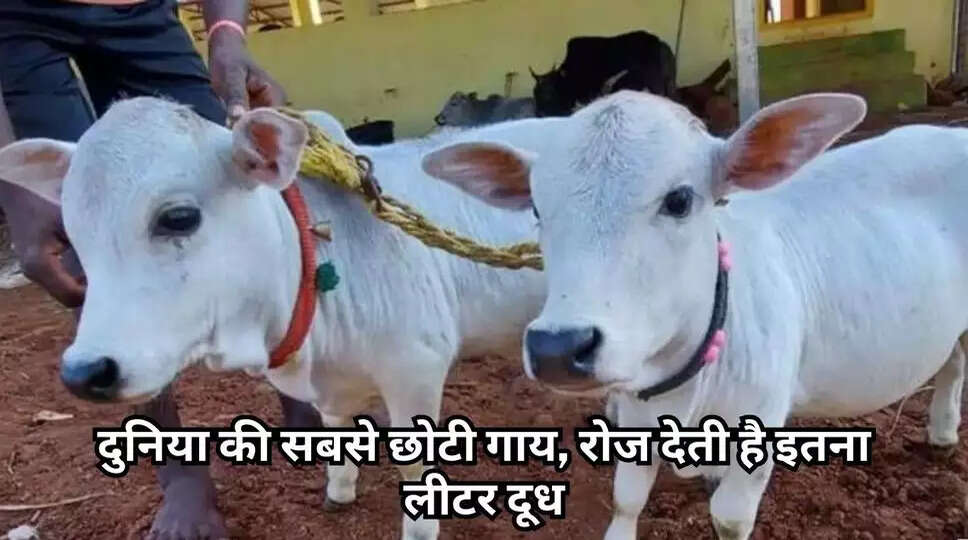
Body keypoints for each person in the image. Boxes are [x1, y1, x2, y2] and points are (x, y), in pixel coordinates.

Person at [0, 1, 322, 538]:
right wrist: (13, 186)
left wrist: (226, 34)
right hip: (15, 22)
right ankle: (179, 473)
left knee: (231, 188)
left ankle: (301, 398)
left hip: (144, 14)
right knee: (88, 237)